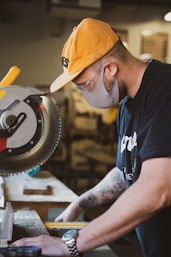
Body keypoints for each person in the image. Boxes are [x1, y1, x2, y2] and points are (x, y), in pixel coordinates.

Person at [12, 18, 171, 257]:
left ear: (110, 68)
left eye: (87, 84)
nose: (86, 93)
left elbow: (157, 188)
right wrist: (80, 202)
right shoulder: (128, 105)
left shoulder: (165, 89)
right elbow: (126, 171)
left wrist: (70, 245)